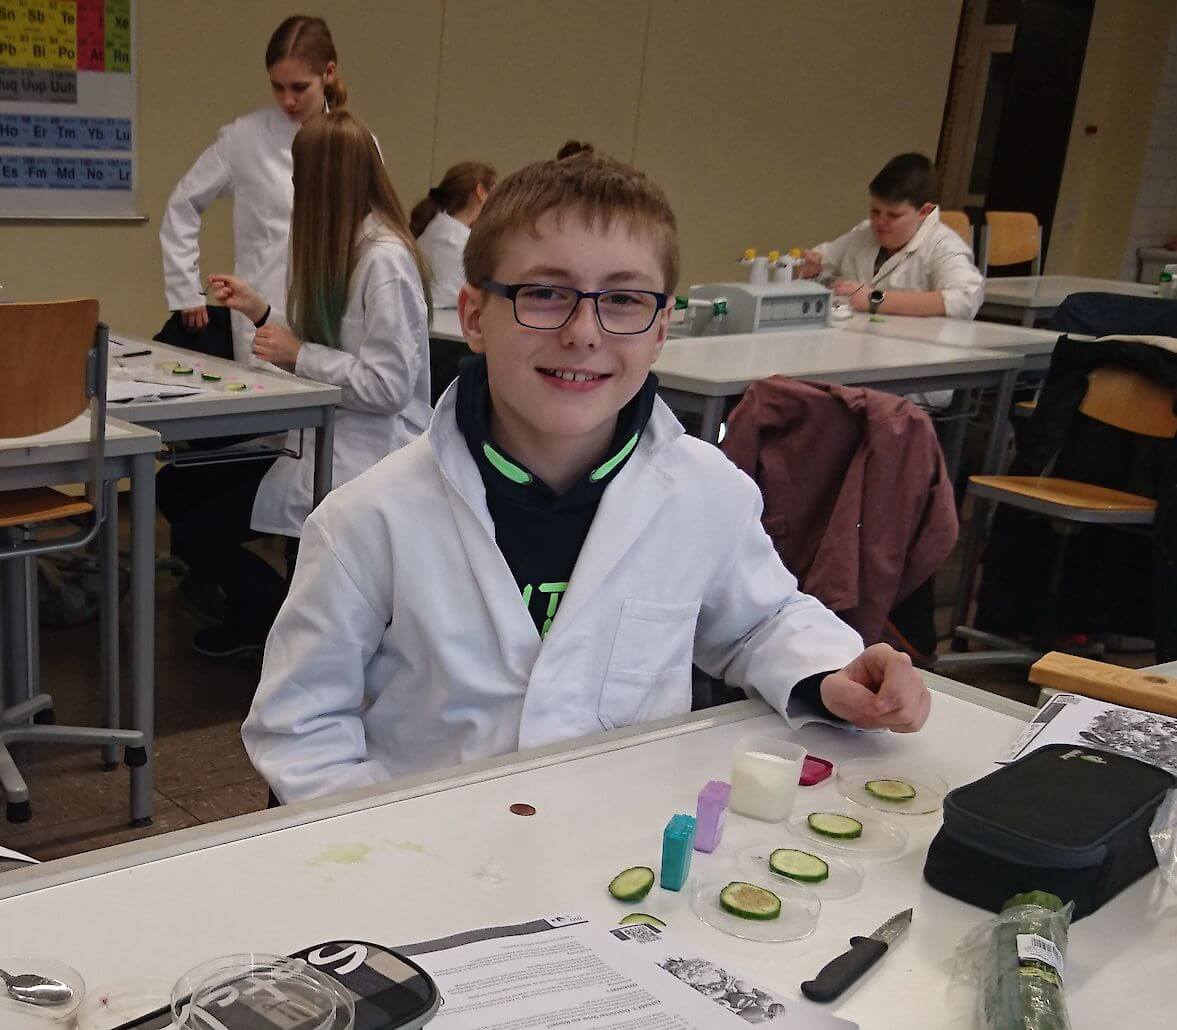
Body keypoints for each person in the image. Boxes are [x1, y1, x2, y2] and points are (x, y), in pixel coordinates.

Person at [242, 154, 931, 804]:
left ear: (661, 328)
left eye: (623, 300)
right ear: (475, 316)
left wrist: (830, 674)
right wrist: (388, 847)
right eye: (544, 294)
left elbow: (759, 621)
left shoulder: (703, 492)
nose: (583, 332)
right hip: (427, 850)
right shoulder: (367, 518)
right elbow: (302, 724)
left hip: (621, 847)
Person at [158, 110, 431, 659]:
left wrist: (300, 354)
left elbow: (389, 388)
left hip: (364, 455)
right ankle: (265, 610)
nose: (294, 188)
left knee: (200, 526)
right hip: (317, 440)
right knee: (175, 487)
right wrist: (261, 313)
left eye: (299, 177)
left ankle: (270, 617)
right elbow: (331, 340)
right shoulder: (347, 246)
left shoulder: (385, 261)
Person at [159, 15, 346, 365]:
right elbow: (183, 203)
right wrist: (186, 289)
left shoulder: (356, 144)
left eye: (299, 87)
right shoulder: (244, 137)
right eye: (278, 87)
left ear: (329, 73)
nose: (288, 100)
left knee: (332, 397)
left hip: (334, 319)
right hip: (261, 316)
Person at [799, 152, 983, 320]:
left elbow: (965, 298)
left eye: (893, 215)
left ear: (924, 211)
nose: (880, 222)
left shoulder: (944, 245)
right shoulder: (863, 233)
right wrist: (807, 266)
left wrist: (874, 299)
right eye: (875, 211)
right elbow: (818, 259)